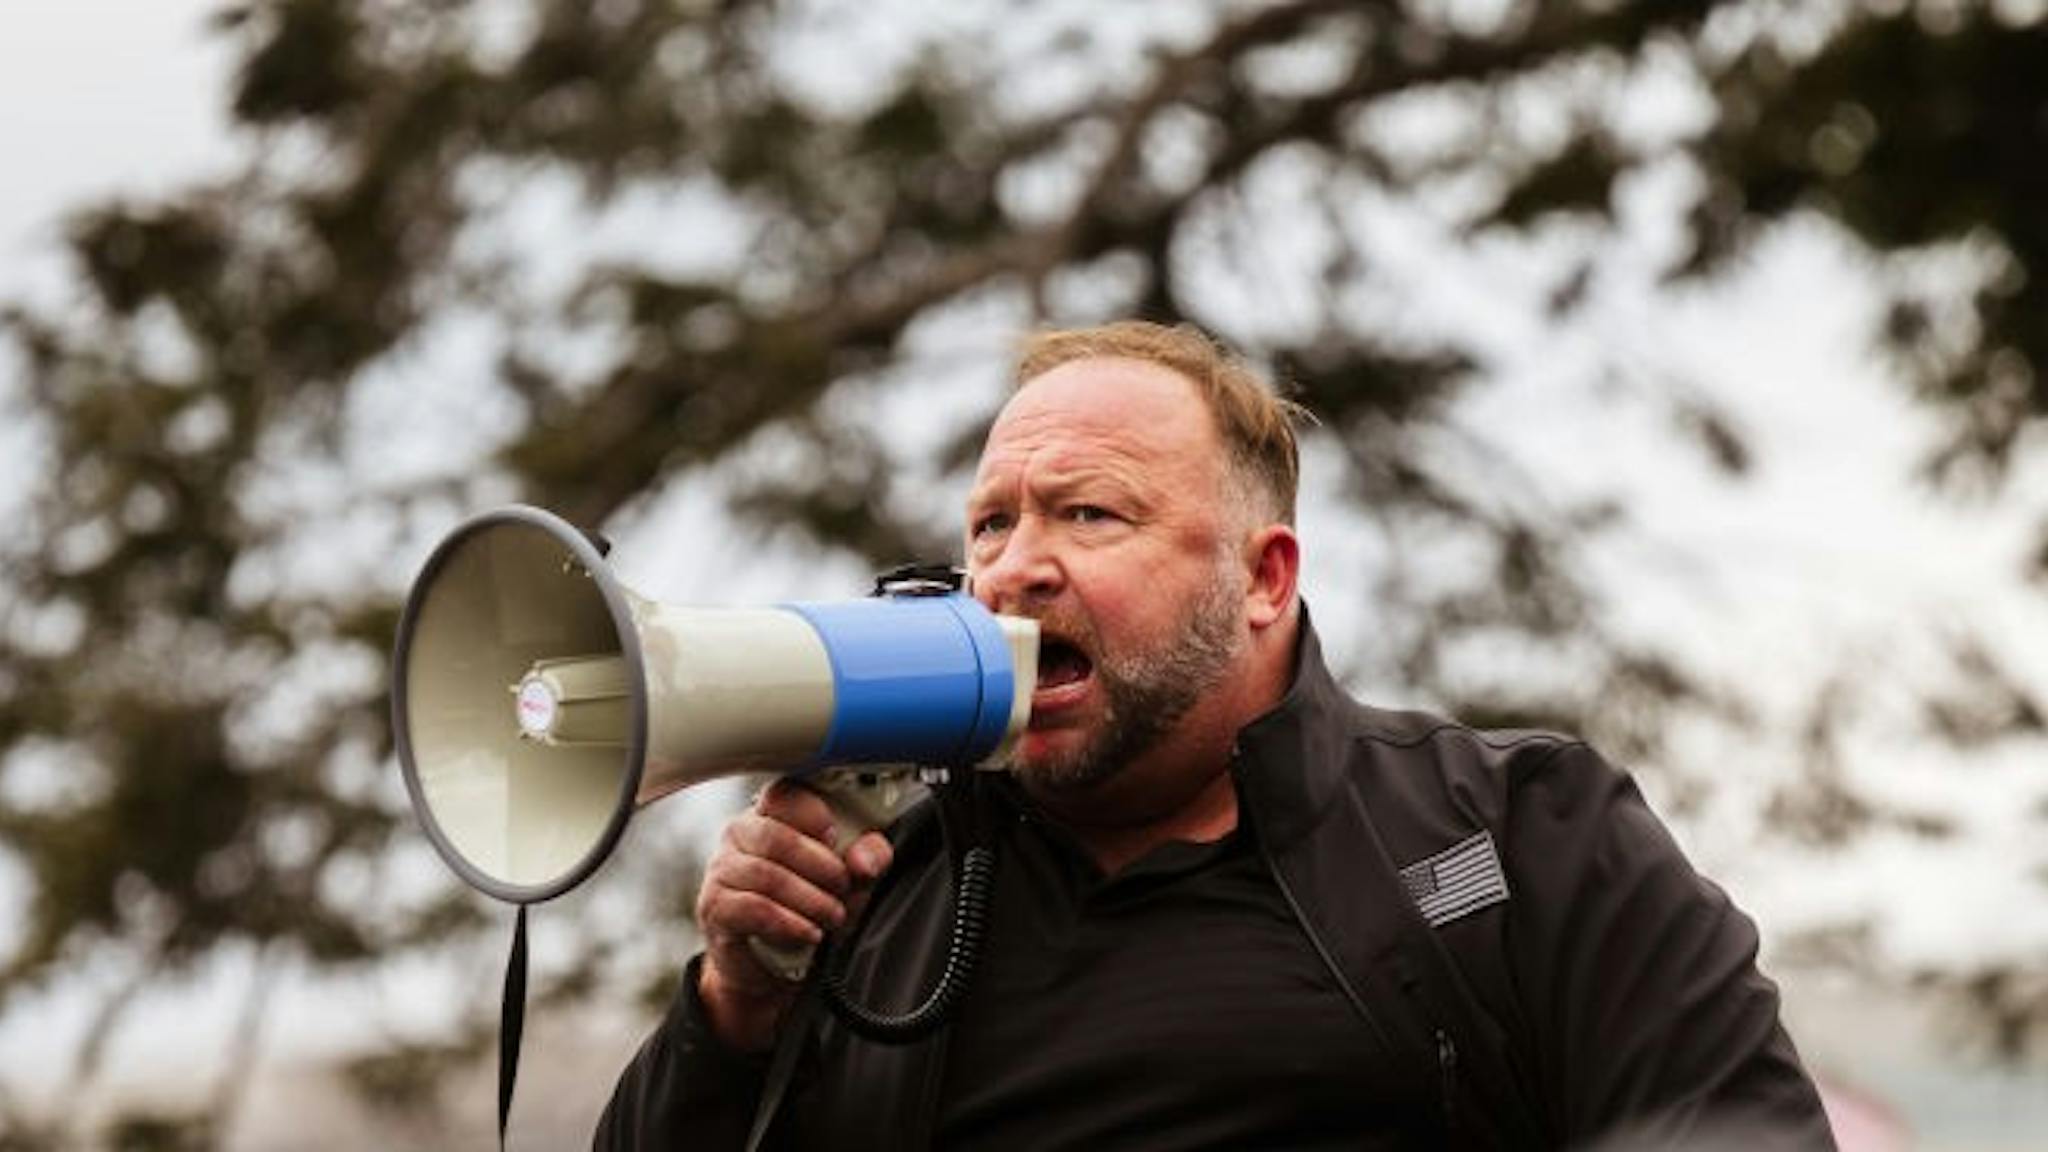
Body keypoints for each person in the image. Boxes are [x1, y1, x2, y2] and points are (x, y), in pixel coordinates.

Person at [594, 321, 1836, 1150]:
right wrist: (733, 1010)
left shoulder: (1516, 838)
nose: (1014, 569)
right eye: (987, 525)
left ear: (1262, 579)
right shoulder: (885, 911)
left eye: (1088, 514)